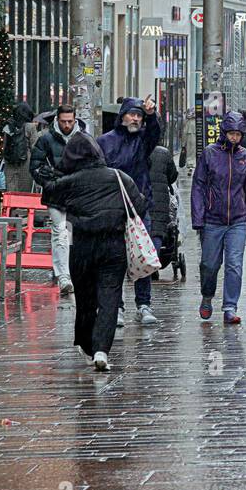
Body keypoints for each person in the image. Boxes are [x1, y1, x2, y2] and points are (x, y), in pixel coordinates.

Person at [41, 131, 146, 372]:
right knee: (110, 298)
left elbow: (49, 195)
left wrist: (57, 175)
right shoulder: (119, 178)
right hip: (113, 245)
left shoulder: (69, 182)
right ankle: (102, 349)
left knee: (86, 300)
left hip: (82, 245)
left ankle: (88, 346)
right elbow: (139, 205)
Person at [191, 111, 246, 325]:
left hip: (238, 219)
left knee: (234, 264)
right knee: (210, 265)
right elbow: (198, 187)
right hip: (213, 219)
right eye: (231, 133)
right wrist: (198, 218)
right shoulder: (210, 154)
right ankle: (207, 296)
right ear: (224, 132)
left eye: (238, 134)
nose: (234, 138)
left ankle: (230, 307)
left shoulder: (245, 156)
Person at [98, 96, 162, 325]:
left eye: (139, 115)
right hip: (113, 207)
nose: (135, 119)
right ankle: (117, 306)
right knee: (115, 259)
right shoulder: (105, 141)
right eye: (132, 114)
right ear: (122, 115)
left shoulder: (143, 140)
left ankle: (144, 304)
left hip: (139, 207)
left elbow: (155, 132)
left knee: (142, 255)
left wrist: (152, 115)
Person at [31, 105, 86, 295]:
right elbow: (35, 166)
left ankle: (71, 271)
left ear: (75, 119)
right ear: (57, 120)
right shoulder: (46, 139)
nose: (67, 125)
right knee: (61, 232)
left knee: (74, 234)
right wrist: (48, 182)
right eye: (63, 121)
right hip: (56, 193)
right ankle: (63, 276)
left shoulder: (83, 138)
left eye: (70, 121)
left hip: (77, 194)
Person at [147, 141, 179, 286]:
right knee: (157, 232)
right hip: (160, 198)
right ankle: (153, 263)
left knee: (142, 231)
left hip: (138, 195)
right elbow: (173, 176)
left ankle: (144, 265)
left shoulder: (133, 150)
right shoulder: (163, 152)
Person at [1, 101, 37, 192]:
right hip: (26, 161)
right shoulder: (30, 127)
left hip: (10, 161)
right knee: (25, 190)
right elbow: (34, 146)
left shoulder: (8, 126)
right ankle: (23, 206)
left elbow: (4, 146)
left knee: (11, 189)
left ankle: (12, 206)